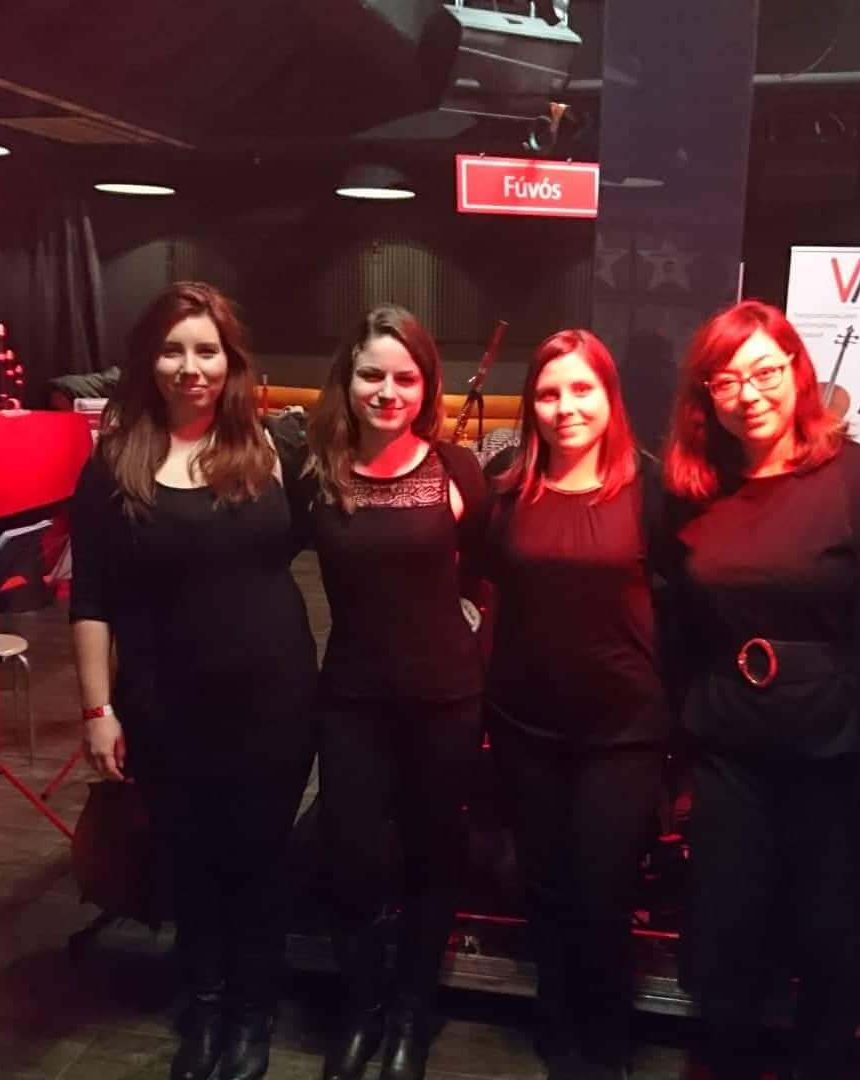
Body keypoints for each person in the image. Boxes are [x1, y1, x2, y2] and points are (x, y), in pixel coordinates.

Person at [659, 300, 860, 1077]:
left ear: (796, 371)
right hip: (731, 750)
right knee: (727, 937)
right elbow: (674, 619)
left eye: (764, 371)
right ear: (707, 396)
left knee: (830, 939)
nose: (748, 393)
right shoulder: (695, 489)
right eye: (727, 380)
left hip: (840, 750)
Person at [69, 283, 315, 1080]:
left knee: (259, 858)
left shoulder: (275, 450)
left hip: (274, 701)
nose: (190, 366)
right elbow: (91, 598)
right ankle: (204, 1005)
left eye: (207, 350)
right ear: (149, 360)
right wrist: (98, 709)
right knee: (190, 859)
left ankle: (253, 1010)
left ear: (231, 361)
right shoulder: (115, 464)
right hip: (164, 705)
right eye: (173, 350)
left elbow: (356, 540)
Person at [302, 305, 491, 1080]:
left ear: (427, 385)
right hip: (352, 699)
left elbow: (486, 569)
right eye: (372, 374)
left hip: (445, 699)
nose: (388, 391)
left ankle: (413, 1010)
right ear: (346, 380)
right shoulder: (316, 472)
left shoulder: (458, 470)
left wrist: (471, 621)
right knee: (349, 857)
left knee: (431, 857)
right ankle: (361, 1007)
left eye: (405, 377)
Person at [481, 330, 670, 1080]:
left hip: (624, 730)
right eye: (550, 393)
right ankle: (557, 1023)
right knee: (545, 883)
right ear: (532, 404)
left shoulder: (651, 489)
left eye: (582, 389)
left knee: (604, 888)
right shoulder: (506, 489)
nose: (566, 407)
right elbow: (480, 589)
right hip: (525, 723)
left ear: (610, 397)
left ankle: (606, 1036)